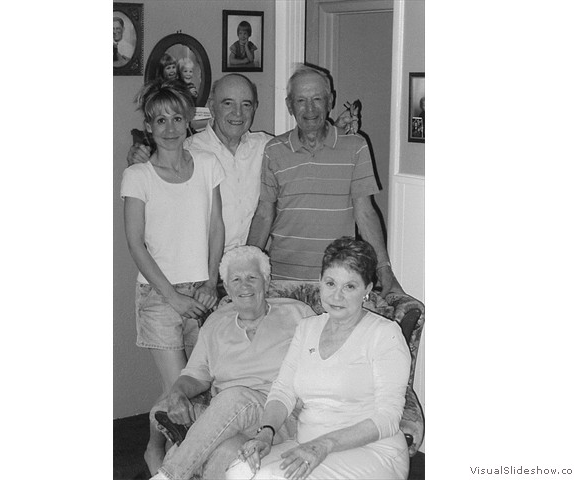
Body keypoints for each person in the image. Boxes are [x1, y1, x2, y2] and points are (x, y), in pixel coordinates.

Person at [229, 237, 411, 480]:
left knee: (270, 477)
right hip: (309, 446)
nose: (337, 296)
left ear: (367, 291)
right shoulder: (307, 328)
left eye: (350, 286)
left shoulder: (384, 334)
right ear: (320, 282)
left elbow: (388, 418)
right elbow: (283, 391)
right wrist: (266, 433)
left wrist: (324, 445)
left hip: (371, 451)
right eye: (330, 283)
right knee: (239, 471)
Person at [128, 74, 359, 255]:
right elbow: (154, 188)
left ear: (255, 107)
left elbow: (306, 153)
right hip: (203, 270)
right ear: (211, 105)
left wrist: (334, 130)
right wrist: (137, 159)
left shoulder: (268, 147)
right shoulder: (187, 150)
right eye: (228, 103)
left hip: (255, 269)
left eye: (246, 105)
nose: (237, 113)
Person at [120, 79, 225, 474]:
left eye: (176, 118)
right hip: (158, 296)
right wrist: (173, 297)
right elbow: (135, 244)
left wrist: (211, 280)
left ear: (188, 123)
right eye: (159, 120)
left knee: (201, 387)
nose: (168, 127)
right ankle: (186, 467)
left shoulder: (208, 166)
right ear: (148, 126)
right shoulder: (138, 175)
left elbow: (216, 227)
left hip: (202, 291)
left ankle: (154, 449)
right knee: (177, 389)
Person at [149, 246, 315, 479]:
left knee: (233, 399)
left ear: (266, 282)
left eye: (252, 278)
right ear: (226, 287)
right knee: (225, 450)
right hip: (228, 420)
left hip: (281, 415)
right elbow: (195, 375)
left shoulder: (298, 314)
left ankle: (167, 476)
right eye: (235, 279)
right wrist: (177, 393)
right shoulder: (216, 322)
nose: (244, 286)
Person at [246, 64, 405, 299]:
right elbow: (264, 214)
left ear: (330, 101)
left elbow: (365, 214)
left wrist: (385, 271)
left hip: (339, 279)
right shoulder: (274, 150)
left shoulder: (356, 146)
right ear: (290, 105)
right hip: (283, 280)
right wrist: (246, 265)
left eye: (317, 99)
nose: (310, 109)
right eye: (301, 101)